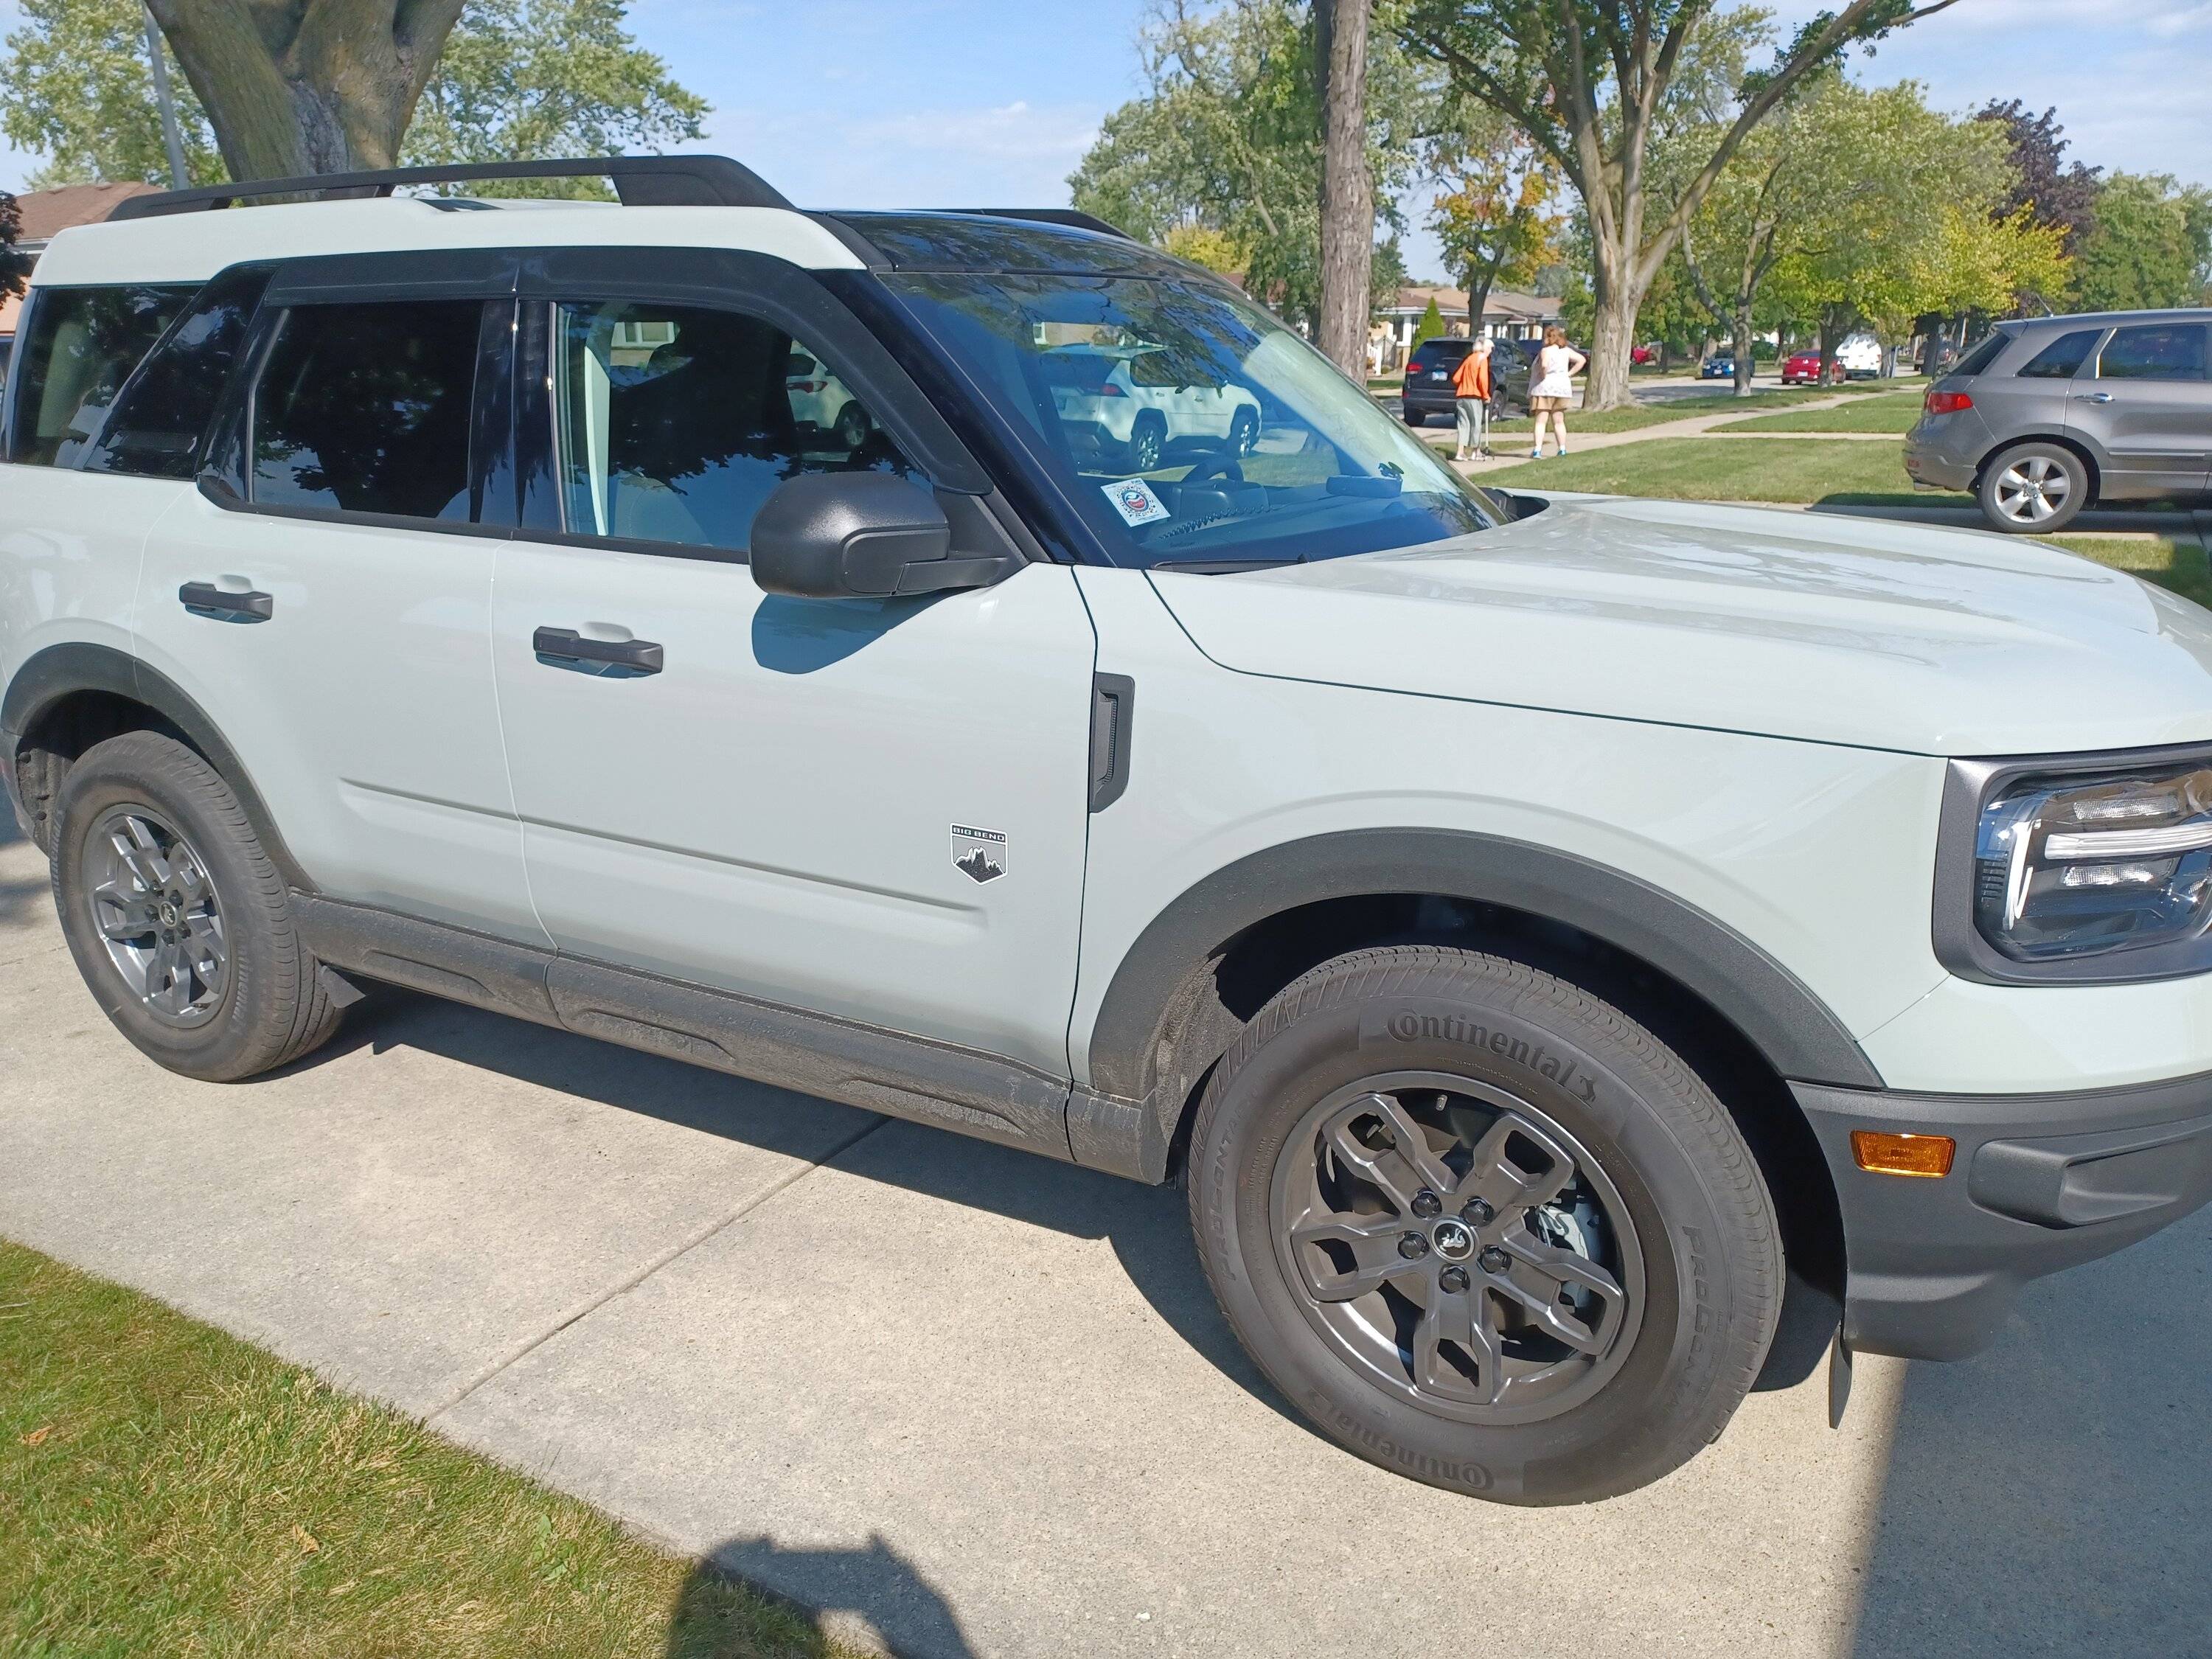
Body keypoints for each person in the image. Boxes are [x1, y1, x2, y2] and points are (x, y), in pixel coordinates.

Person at [1528, 325, 1587, 458]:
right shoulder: (1566, 351)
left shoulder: (1546, 351)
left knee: (1541, 420)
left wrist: (1543, 374)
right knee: (1559, 420)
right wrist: (1569, 373)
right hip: (1562, 388)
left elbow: (1544, 365)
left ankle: (1537, 449)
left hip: (1545, 388)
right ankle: (1562, 448)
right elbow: (1582, 360)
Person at [1450, 336, 1493, 462]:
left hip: (1462, 395)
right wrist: (1486, 395)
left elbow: (1456, 378)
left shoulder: (1468, 359)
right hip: (1475, 396)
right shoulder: (1482, 359)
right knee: (1476, 424)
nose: (1491, 351)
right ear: (1484, 348)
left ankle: (1460, 453)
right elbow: (1483, 380)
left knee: (1463, 424)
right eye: (1490, 348)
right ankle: (1476, 452)